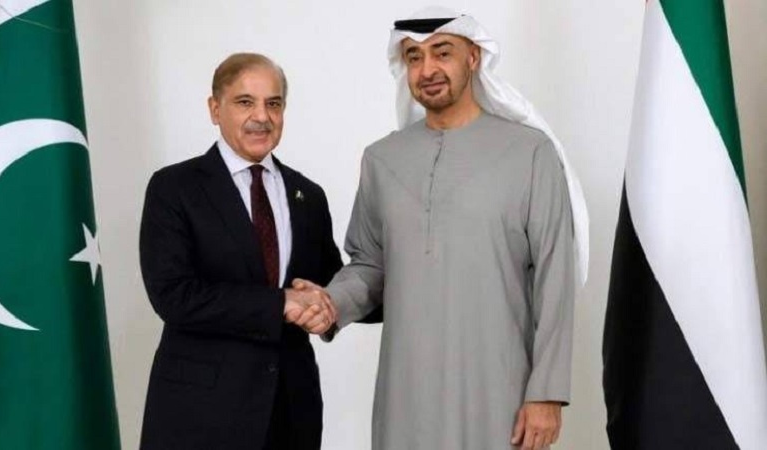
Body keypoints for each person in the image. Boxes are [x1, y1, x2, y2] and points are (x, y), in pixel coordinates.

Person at [291, 7, 589, 450]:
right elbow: (370, 265)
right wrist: (331, 303)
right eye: (414, 57)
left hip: (500, 390)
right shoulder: (382, 159)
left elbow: (554, 276)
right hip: (406, 390)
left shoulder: (531, 152)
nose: (427, 69)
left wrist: (546, 393)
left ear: (473, 57)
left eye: (442, 52)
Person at [139, 52, 339, 450]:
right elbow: (173, 296)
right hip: (200, 416)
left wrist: (331, 308)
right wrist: (280, 303)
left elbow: (328, 286)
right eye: (245, 102)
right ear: (215, 109)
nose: (261, 117)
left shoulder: (308, 195)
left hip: (291, 414)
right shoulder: (174, 188)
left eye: (273, 104)